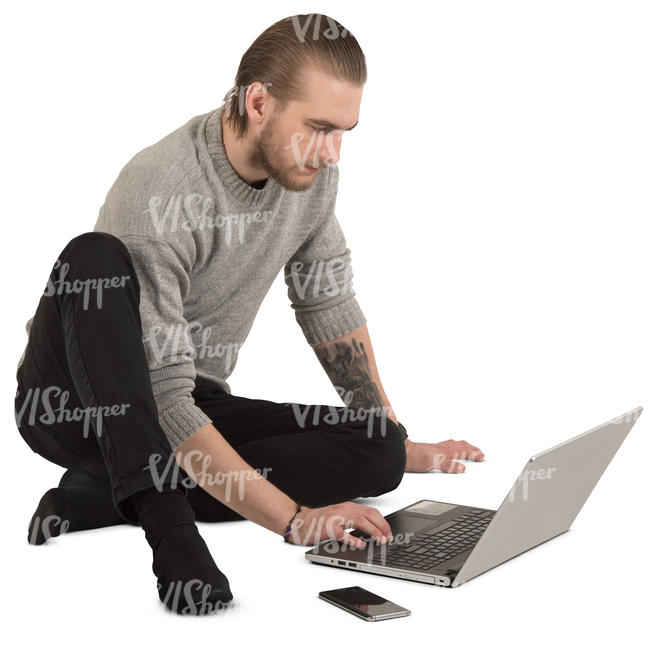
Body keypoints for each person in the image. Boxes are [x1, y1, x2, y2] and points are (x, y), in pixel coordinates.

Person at [13, 13, 485, 615]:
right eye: (318, 127)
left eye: (345, 131)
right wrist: (293, 520)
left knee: (380, 448)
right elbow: (160, 396)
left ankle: (103, 495)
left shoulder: (311, 180)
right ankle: (164, 520)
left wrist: (395, 439)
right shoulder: (160, 189)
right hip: (79, 403)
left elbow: (328, 300)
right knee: (92, 255)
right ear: (259, 101)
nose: (333, 152)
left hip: (188, 392)